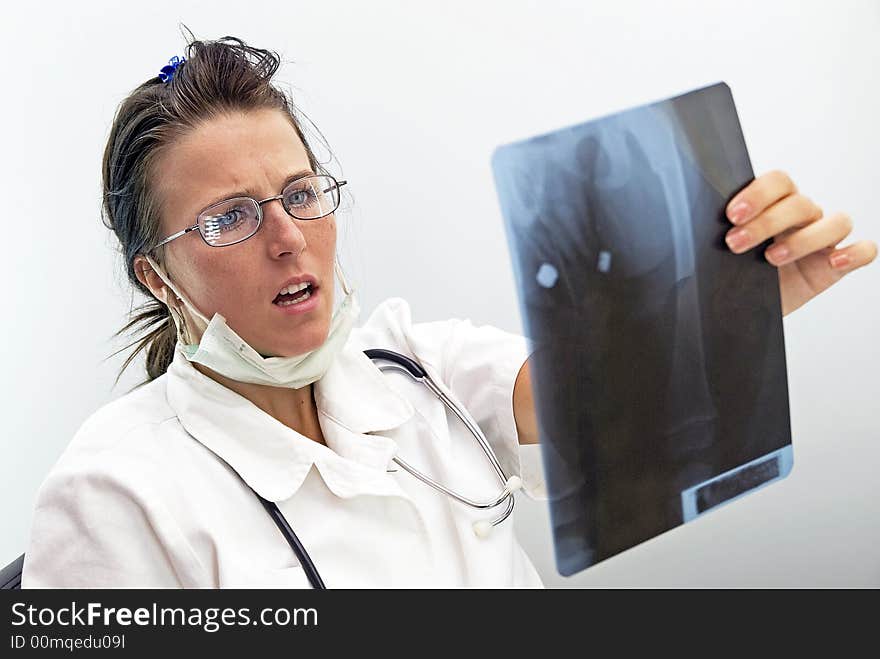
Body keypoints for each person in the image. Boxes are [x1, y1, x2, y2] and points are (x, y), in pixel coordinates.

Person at [20, 32, 876, 588]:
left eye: (300, 192)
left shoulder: (408, 362)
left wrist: (742, 298)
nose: (288, 238)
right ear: (157, 277)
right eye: (230, 217)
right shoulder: (112, 494)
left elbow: (599, 394)